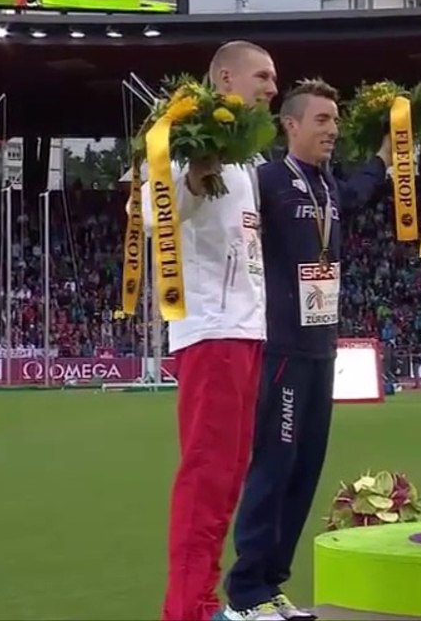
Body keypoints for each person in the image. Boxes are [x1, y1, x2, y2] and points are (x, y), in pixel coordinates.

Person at [220, 79, 390, 621]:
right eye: (322, 120)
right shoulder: (266, 181)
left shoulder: (328, 189)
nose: (333, 130)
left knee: (305, 469)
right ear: (290, 125)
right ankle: (245, 591)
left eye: (336, 121)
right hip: (282, 348)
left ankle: (271, 586)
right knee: (275, 464)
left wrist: (387, 155)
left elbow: (360, 188)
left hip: (322, 347)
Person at [155, 40, 278, 621]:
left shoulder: (246, 159)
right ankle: (186, 609)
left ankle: (203, 601)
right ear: (225, 77)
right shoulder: (185, 139)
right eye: (264, 76)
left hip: (246, 329)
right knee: (207, 476)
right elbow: (149, 215)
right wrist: (193, 174)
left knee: (229, 477)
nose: (273, 88)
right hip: (211, 330)